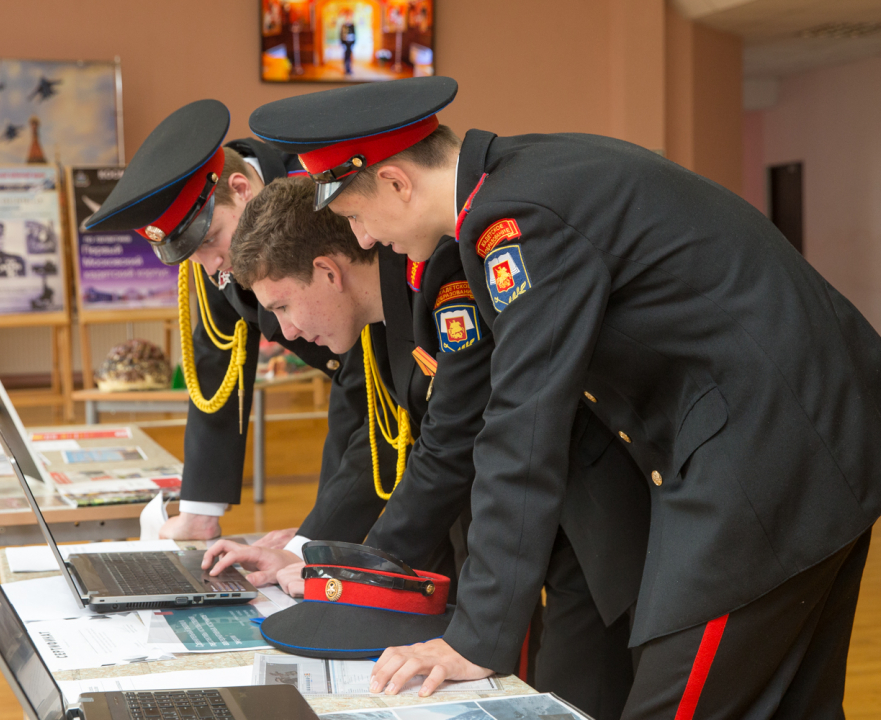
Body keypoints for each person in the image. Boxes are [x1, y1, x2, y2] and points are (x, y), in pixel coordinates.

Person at [246, 76, 881, 718]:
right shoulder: (527, 177)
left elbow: (524, 424)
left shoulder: (516, 222)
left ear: (396, 182)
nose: (365, 240)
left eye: (360, 219)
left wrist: (478, 636)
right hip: (804, 437)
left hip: (769, 460)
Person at [215, 176, 650, 718]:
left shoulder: (442, 276)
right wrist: (320, 554)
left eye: (282, 306)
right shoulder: (384, 310)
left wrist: (353, 573)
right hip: (507, 516)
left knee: (576, 692)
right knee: (531, 683)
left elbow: (451, 443)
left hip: (588, 510)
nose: (284, 331)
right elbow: (383, 445)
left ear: (329, 271)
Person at [85, 99, 364, 547]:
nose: (215, 264)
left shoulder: (321, 189)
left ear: (242, 188)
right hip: (356, 389)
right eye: (193, 252)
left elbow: (371, 361)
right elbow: (218, 364)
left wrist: (319, 537)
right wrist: (199, 513)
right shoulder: (215, 246)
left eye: (211, 240)